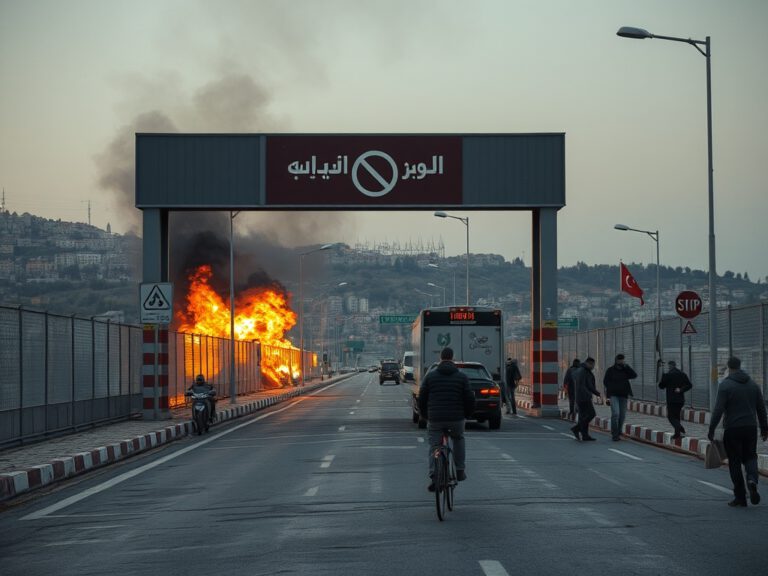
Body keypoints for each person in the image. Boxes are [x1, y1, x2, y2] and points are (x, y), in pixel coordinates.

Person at [707, 356, 768, 507]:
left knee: (734, 462)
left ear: (729, 367)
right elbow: (761, 409)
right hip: (750, 428)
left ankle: (740, 497)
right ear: (740, 366)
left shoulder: (726, 385)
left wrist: (711, 429)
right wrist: (765, 429)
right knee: (750, 457)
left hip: (732, 429)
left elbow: (718, 410)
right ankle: (752, 480)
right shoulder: (753, 385)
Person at [418, 347, 475, 492]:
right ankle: (460, 470)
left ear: (440, 358)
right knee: (458, 439)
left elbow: (422, 398)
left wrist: (425, 415)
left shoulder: (430, 376)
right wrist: (467, 414)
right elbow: (469, 398)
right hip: (456, 418)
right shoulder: (461, 377)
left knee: (434, 446)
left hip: (435, 418)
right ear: (452, 358)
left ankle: (434, 476)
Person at [602, 354, 637, 441]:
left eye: (622, 360)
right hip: (614, 395)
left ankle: (619, 431)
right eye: (619, 360)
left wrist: (627, 366)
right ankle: (614, 434)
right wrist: (611, 390)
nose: (621, 361)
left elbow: (634, 375)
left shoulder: (625, 370)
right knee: (615, 414)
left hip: (623, 395)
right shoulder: (610, 370)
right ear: (616, 360)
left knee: (622, 415)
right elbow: (605, 381)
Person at [658, 360, 692, 439]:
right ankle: (677, 434)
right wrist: (681, 389)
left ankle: (680, 428)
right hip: (680, 400)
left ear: (670, 366)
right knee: (677, 416)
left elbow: (661, 386)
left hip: (671, 400)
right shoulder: (682, 374)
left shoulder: (667, 375)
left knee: (671, 417)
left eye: (668, 366)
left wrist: (662, 377)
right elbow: (689, 385)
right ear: (675, 365)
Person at [571, 357, 600, 441]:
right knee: (591, 414)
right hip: (584, 397)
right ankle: (576, 428)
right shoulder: (583, 371)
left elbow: (588, 384)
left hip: (581, 397)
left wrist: (596, 393)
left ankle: (585, 435)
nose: (593, 367)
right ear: (588, 363)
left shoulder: (583, 370)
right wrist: (590, 393)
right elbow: (583, 385)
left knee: (584, 416)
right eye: (592, 365)